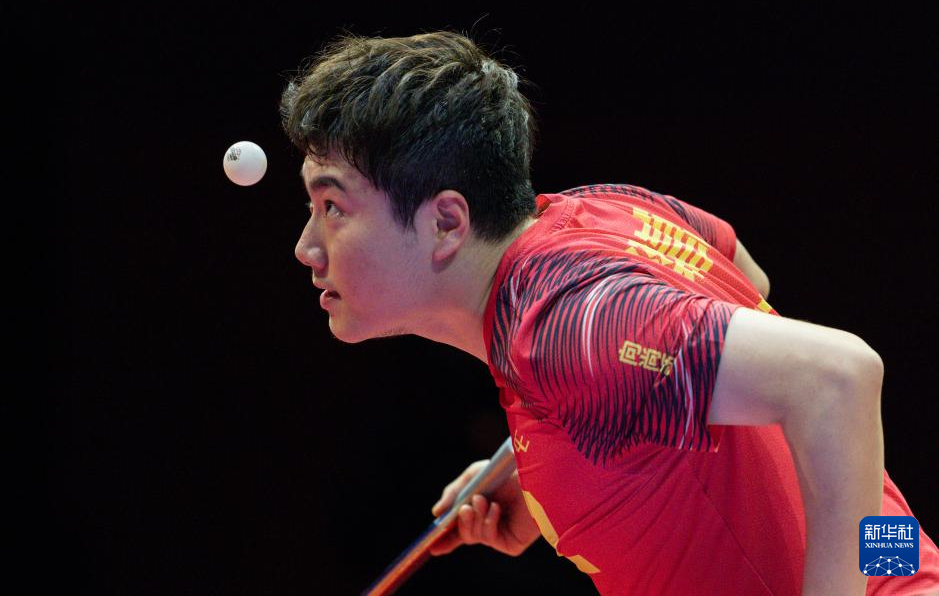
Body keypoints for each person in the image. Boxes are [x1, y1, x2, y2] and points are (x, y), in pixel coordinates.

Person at [282, 30, 939, 596]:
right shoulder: (599, 209)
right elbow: (746, 281)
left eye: (333, 208)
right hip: (902, 567)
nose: (306, 247)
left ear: (447, 222)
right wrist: (557, 462)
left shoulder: (563, 324)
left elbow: (840, 373)